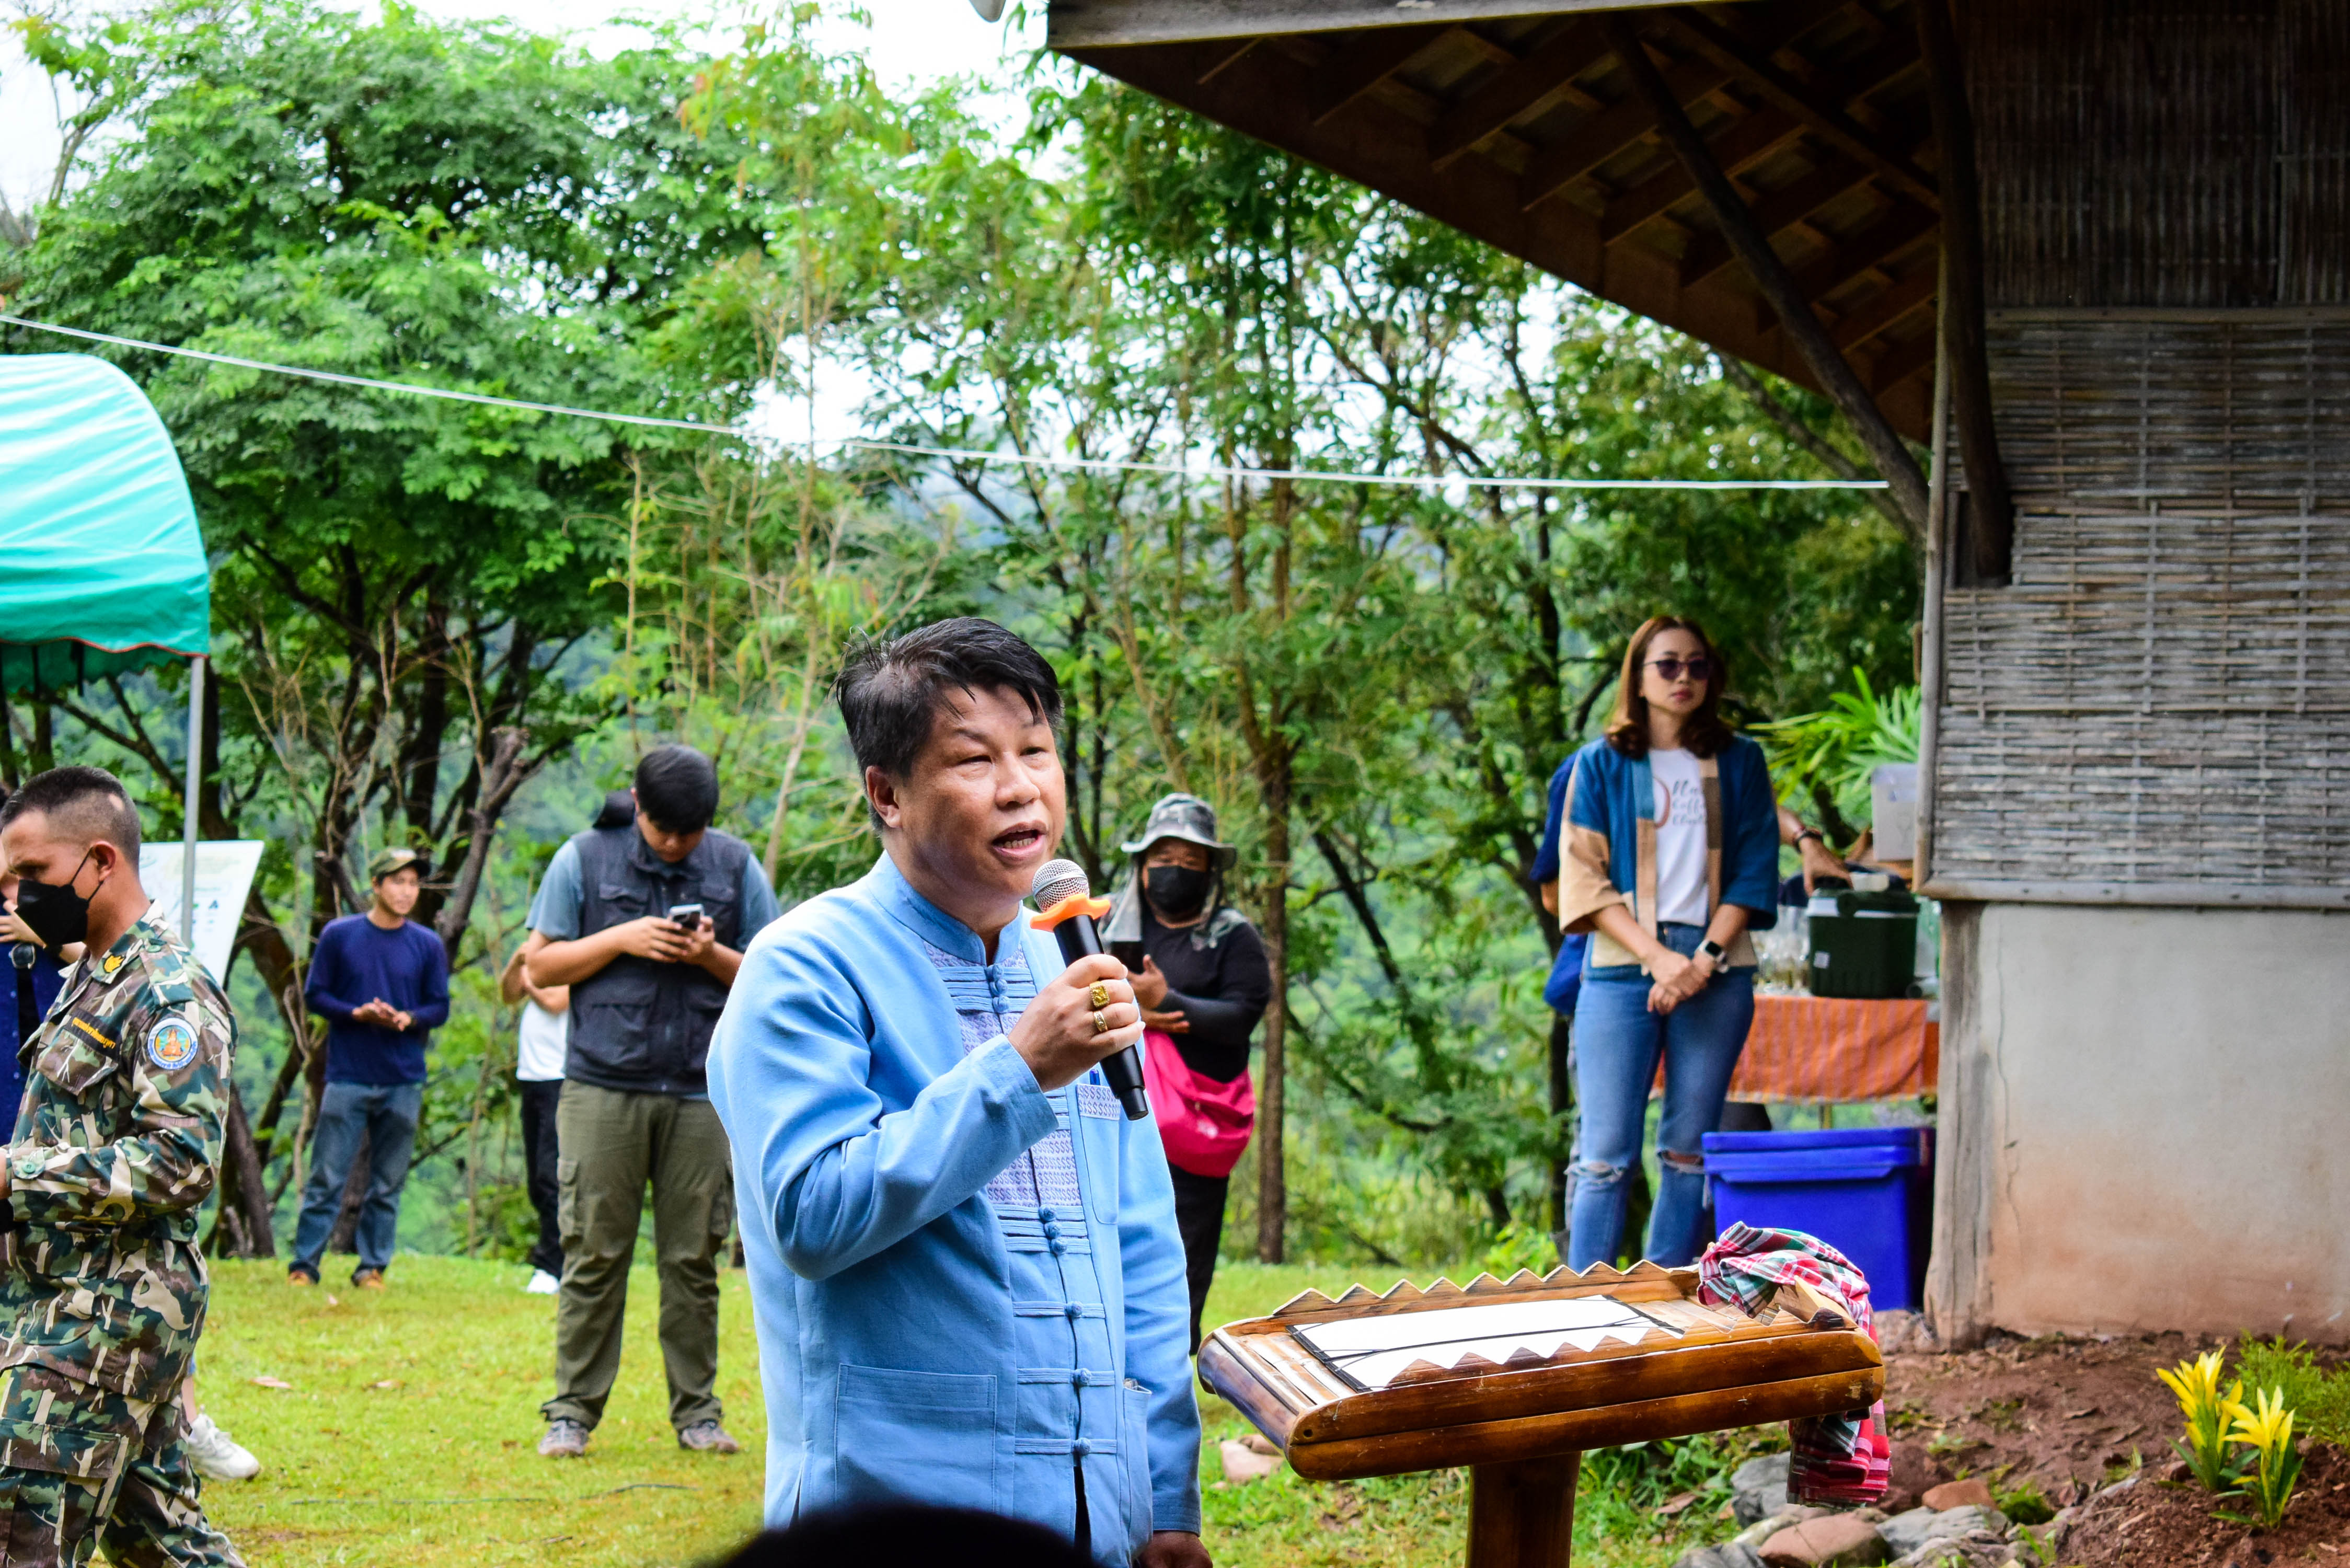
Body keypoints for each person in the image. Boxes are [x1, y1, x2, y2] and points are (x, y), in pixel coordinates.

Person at [708, 618, 1206, 1567]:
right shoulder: (804, 967)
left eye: (1036, 751)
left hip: (1098, 1521)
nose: (1020, 788)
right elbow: (810, 1218)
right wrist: (1018, 1070)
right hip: (891, 1522)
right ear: (886, 793)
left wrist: (1168, 1500)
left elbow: (1140, 1245)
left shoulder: (1072, 963)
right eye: (975, 761)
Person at [0, 765, 245, 1566]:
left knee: (21, 1540)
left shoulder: (169, 993)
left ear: (101, 861)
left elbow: (181, 1162)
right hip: (61, 1299)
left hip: (104, 1316)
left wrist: (14, 1175)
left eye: (32, 872)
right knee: (168, 1544)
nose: (18, 892)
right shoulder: (94, 979)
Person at [522, 747, 778, 1460]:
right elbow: (538, 964)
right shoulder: (584, 858)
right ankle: (570, 1413)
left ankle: (698, 1414)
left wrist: (708, 955)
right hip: (603, 1085)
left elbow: (770, 977)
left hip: (702, 1090)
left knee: (693, 1259)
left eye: (688, 833)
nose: (675, 844)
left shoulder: (734, 864)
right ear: (638, 806)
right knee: (593, 1254)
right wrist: (622, 938)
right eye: (664, 830)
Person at [1556, 617, 1782, 1272]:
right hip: (1623, 966)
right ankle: (1583, 1306)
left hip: (1717, 970)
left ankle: (1662, 1294)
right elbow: (1583, 876)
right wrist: (1658, 959)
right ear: (1638, 676)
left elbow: (1753, 865)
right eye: (1667, 666)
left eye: (1696, 666)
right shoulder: (1600, 764)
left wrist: (1703, 960)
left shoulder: (1740, 761)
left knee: (1686, 1149)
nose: (1683, 678)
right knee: (1603, 1154)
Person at [1102, 793, 1269, 1352]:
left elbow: (1242, 1014)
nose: (1174, 871)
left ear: (1211, 871)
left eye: (1190, 862)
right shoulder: (1114, 931)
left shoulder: (1231, 936)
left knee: (1183, 1244)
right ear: (1142, 866)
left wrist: (1166, 1004)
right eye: (1162, 859)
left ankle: (1169, 1358)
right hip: (1117, 1112)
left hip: (1196, 1121)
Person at [289, 847, 450, 1289]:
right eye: (397, 881)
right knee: (327, 1175)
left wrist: (408, 1019)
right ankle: (305, 1266)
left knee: (388, 1183)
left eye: (413, 883)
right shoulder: (341, 936)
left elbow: (439, 1006)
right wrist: (356, 1012)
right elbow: (316, 994)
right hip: (348, 1073)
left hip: (403, 1077)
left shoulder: (427, 944)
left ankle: (372, 1267)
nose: (406, 891)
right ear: (376, 886)